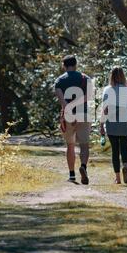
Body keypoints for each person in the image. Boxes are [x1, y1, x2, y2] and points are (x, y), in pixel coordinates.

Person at [54, 55, 92, 184]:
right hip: (84, 114)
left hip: (68, 115)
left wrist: (69, 109)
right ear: (76, 65)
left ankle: (72, 175)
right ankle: (83, 166)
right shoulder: (85, 78)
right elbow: (89, 96)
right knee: (84, 145)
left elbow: (61, 99)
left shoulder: (59, 80)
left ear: (63, 66)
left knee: (70, 145)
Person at [100, 66, 127, 184]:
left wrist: (101, 125)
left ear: (111, 76)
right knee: (125, 147)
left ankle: (117, 178)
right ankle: (125, 165)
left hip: (112, 122)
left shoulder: (107, 90)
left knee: (115, 150)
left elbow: (104, 110)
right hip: (125, 120)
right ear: (123, 76)